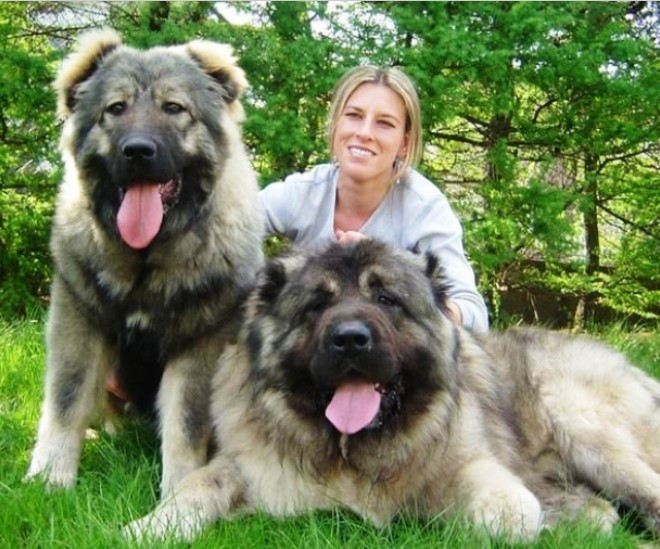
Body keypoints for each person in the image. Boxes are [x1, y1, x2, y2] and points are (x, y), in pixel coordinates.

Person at [259, 65, 489, 332]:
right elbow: (226, 228)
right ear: (335, 126)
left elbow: (474, 313)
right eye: (354, 115)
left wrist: (391, 264)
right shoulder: (302, 192)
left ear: (404, 144)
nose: (365, 132)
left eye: (384, 123)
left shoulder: (425, 207)